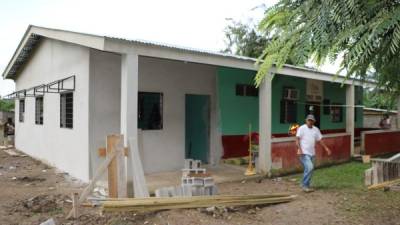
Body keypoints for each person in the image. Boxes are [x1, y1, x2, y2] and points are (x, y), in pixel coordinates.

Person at [296, 114, 331, 192]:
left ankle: (305, 184)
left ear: (314, 121)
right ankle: (304, 185)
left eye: (312, 120)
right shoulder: (302, 128)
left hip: (312, 153)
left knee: (309, 169)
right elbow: (297, 139)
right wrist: (300, 149)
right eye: (309, 120)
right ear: (306, 120)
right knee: (310, 167)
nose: (310, 122)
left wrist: (326, 148)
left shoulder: (316, 129)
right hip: (303, 153)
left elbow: (320, 140)